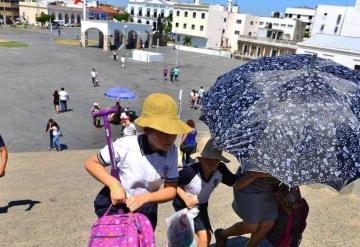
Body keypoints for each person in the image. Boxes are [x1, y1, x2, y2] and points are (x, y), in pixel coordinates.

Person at [84, 93, 192, 230]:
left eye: (173, 132)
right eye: (163, 132)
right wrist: (114, 185)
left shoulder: (172, 151)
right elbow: (91, 163)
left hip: (147, 207)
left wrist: (145, 198)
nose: (170, 138)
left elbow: (170, 190)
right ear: (147, 130)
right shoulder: (126, 145)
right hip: (116, 205)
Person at [173, 137, 239, 247]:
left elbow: (236, 182)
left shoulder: (220, 169)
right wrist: (185, 197)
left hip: (202, 205)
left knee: (207, 235)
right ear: (200, 158)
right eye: (208, 157)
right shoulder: (189, 171)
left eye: (216, 158)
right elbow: (171, 183)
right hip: (184, 205)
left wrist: (253, 176)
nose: (212, 162)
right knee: (203, 236)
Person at [214, 160, 279, 247]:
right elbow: (252, 173)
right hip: (248, 186)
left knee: (267, 224)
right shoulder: (258, 150)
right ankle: (221, 234)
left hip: (269, 190)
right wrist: (277, 174)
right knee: (251, 226)